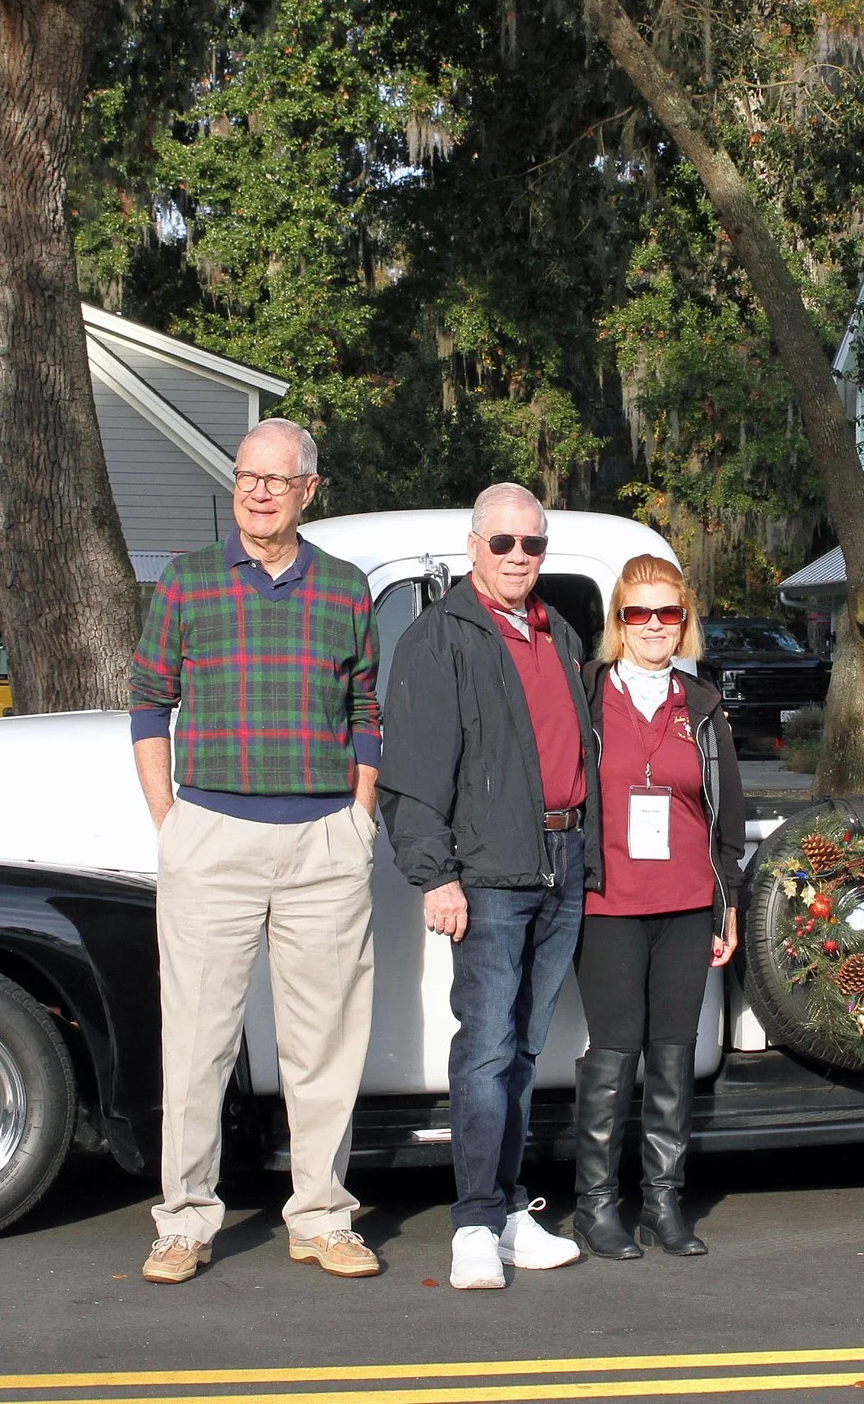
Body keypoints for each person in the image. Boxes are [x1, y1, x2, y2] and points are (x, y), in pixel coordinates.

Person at [129, 418, 382, 1285]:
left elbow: (366, 713)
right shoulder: (188, 583)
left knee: (325, 1046)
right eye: (246, 476)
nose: (259, 491)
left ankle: (321, 1215)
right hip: (212, 837)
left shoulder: (346, 588)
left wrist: (358, 815)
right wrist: (172, 820)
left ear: (309, 490)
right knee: (197, 1042)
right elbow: (147, 704)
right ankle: (184, 1222)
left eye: (277, 479)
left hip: (323, 842)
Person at [380, 482, 598, 1290]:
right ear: (473, 545)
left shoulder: (559, 632)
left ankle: (510, 1211)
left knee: (527, 1046)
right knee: (486, 1047)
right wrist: (435, 875)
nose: (518, 558)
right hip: (491, 871)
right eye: (502, 542)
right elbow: (412, 775)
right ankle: (473, 1220)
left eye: (532, 545)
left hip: (564, 859)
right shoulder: (440, 638)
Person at [572, 555, 745, 1261]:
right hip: (607, 903)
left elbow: (726, 817)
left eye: (666, 613)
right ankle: (595, 1206)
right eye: (637, 613)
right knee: (613, 1053)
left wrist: (725, 901)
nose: (652, 626)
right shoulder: (585, 694)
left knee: (673, 1054)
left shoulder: (701, 705)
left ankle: (663, 1203)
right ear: (617, 621)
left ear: (684, 620)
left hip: (685, 901)